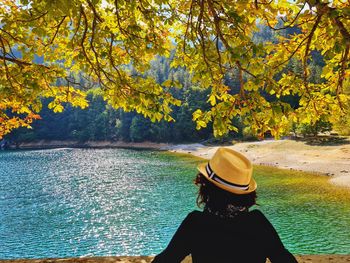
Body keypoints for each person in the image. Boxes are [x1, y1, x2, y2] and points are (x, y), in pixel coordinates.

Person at [152, 147, 298, 263]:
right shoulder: (258, 223)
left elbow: (165, 259)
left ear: (206, 188)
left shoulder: (195, 224)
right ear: (245, 193)